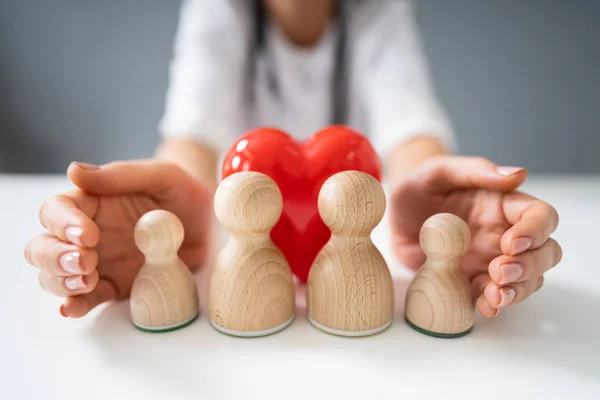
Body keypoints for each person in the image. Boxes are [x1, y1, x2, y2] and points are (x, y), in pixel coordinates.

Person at [24, 0, 561, 320]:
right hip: (238, 261)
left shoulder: (378, 12)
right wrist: (162, 216)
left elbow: (411, 129)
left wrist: (430, 193)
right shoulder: (218, 10)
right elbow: (190, 142)